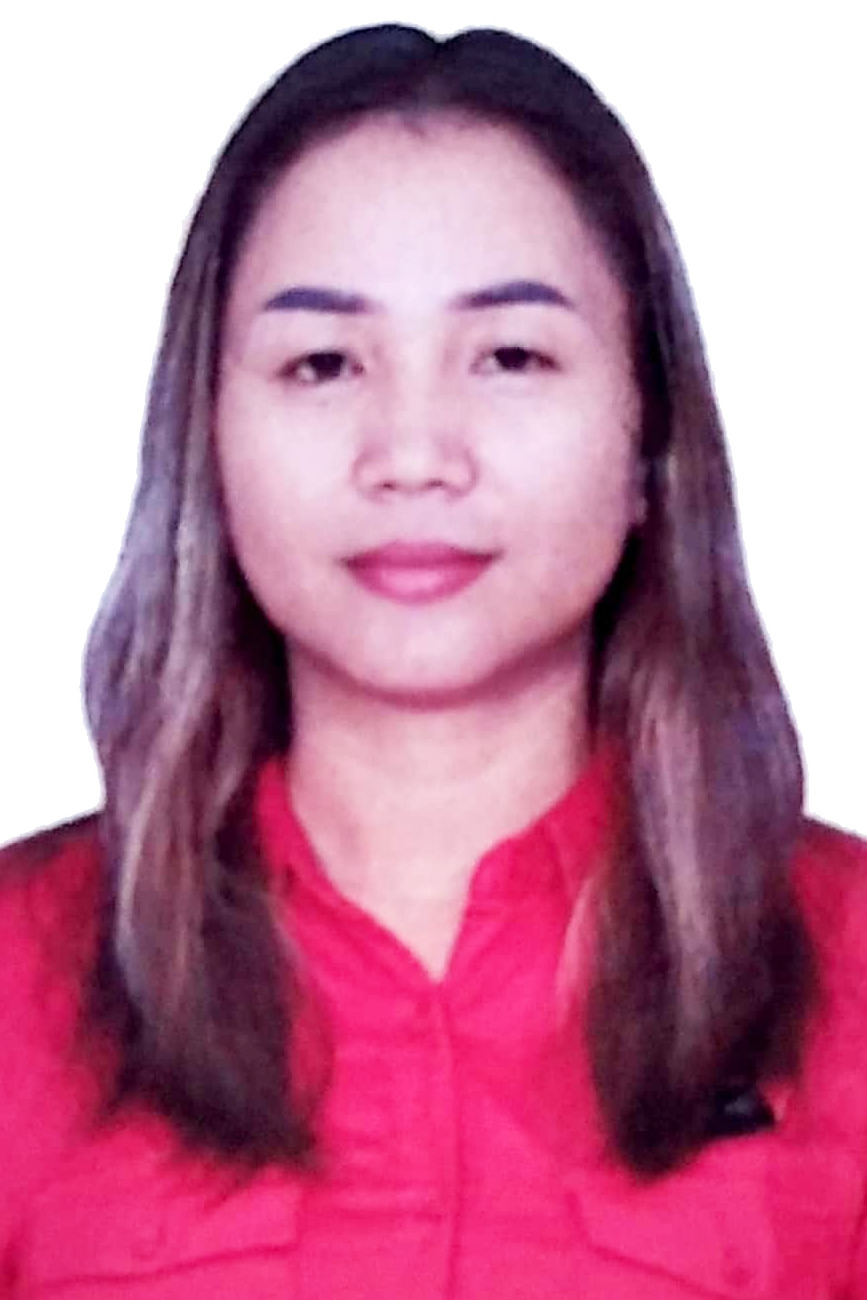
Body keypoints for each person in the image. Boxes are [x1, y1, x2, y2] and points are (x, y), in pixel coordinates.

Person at [1, 21, 865, 1297]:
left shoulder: (849, 974)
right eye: (323, 364)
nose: (412, 454)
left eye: (512, 357)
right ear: (210, 438)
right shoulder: (19, 974)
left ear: (648, 440)